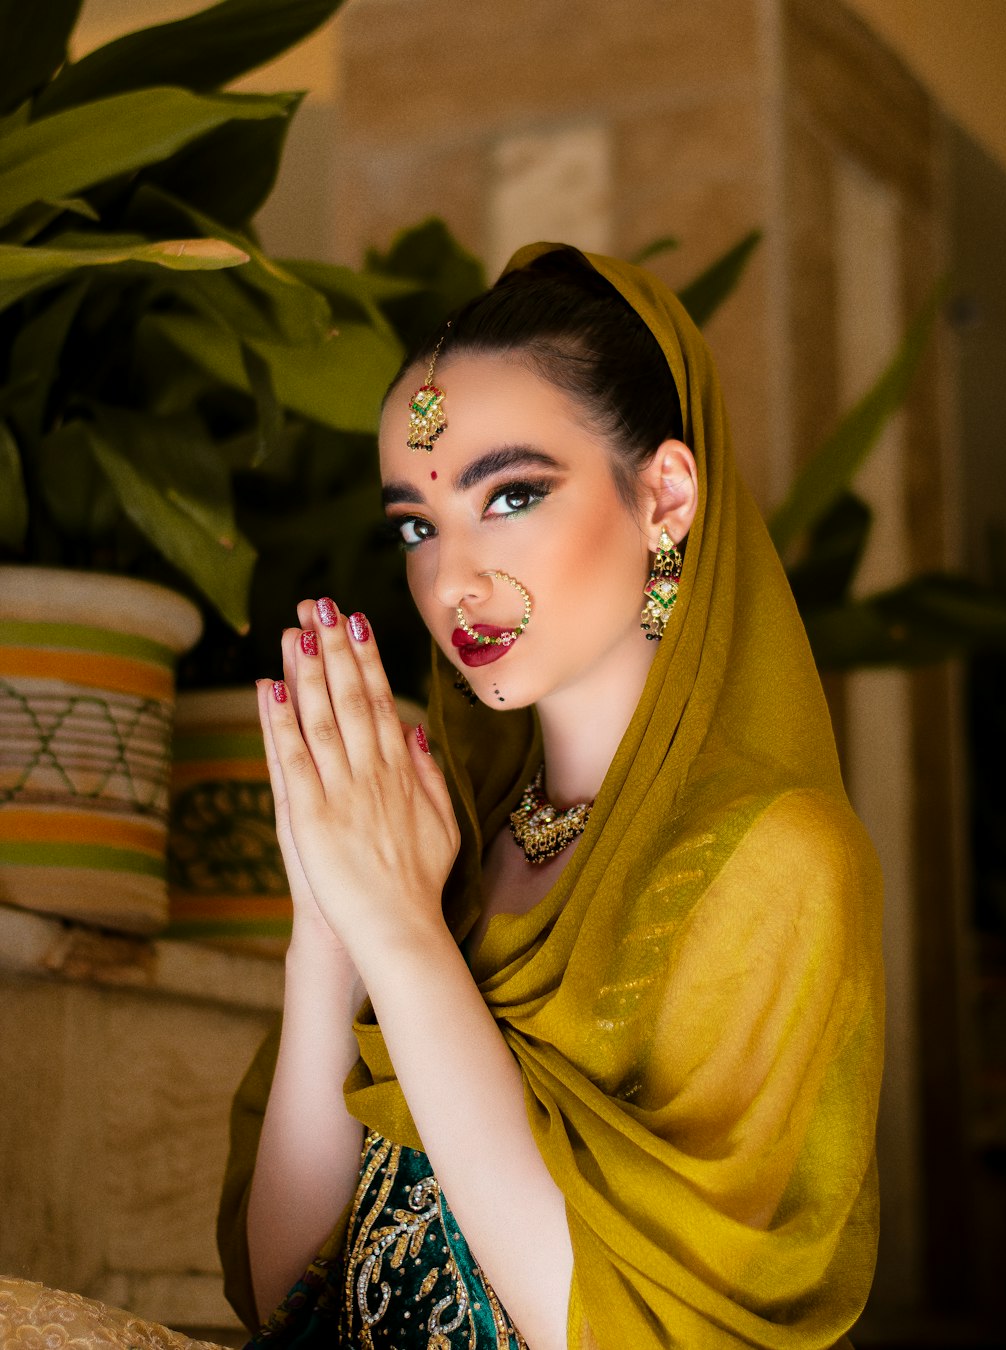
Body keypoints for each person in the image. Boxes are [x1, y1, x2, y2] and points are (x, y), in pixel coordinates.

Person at [213, 242, 885, 1350]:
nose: (451, 580)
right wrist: (330, 930)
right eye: (418, 527)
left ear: (665, 493)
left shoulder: (776, 863)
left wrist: (404, 937)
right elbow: (286, 1289)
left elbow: (614, 1331)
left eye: (512, 495)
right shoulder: (446, 843)